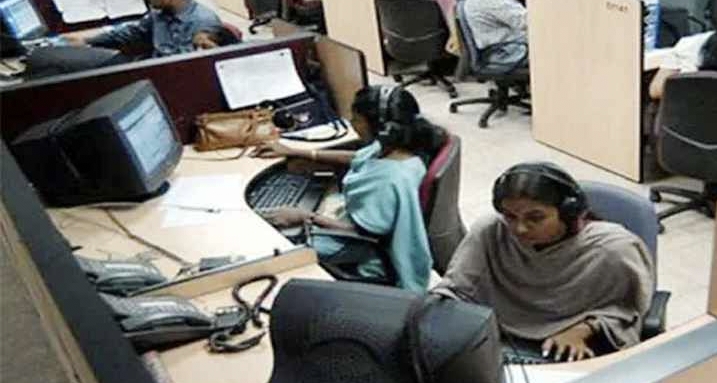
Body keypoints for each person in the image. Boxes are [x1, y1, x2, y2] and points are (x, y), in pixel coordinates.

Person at [434, 163, 655, 362]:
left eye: (535, 218)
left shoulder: (612, 249)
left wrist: (582, 330)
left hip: (575, 350)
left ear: (568, 212)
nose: (520, 228)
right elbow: (458, 289)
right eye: (510, 216)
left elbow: (626, 311)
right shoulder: (491, 231)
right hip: (495, 339)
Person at [254, 85, 445, 292]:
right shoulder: (401, 146)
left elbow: (365, 232)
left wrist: (305, 216)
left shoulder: (388, 179)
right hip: (359, 225)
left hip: (362, 246)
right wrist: (301, 152)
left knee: (275, 243)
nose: (352, 123)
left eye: (356, 119)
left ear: (381, 127)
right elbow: (360, 158)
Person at [70, 0, 223, 57]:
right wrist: (89, 40)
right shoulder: (159, 14)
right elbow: (132, 32)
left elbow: (190, 61)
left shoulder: (203, 21)